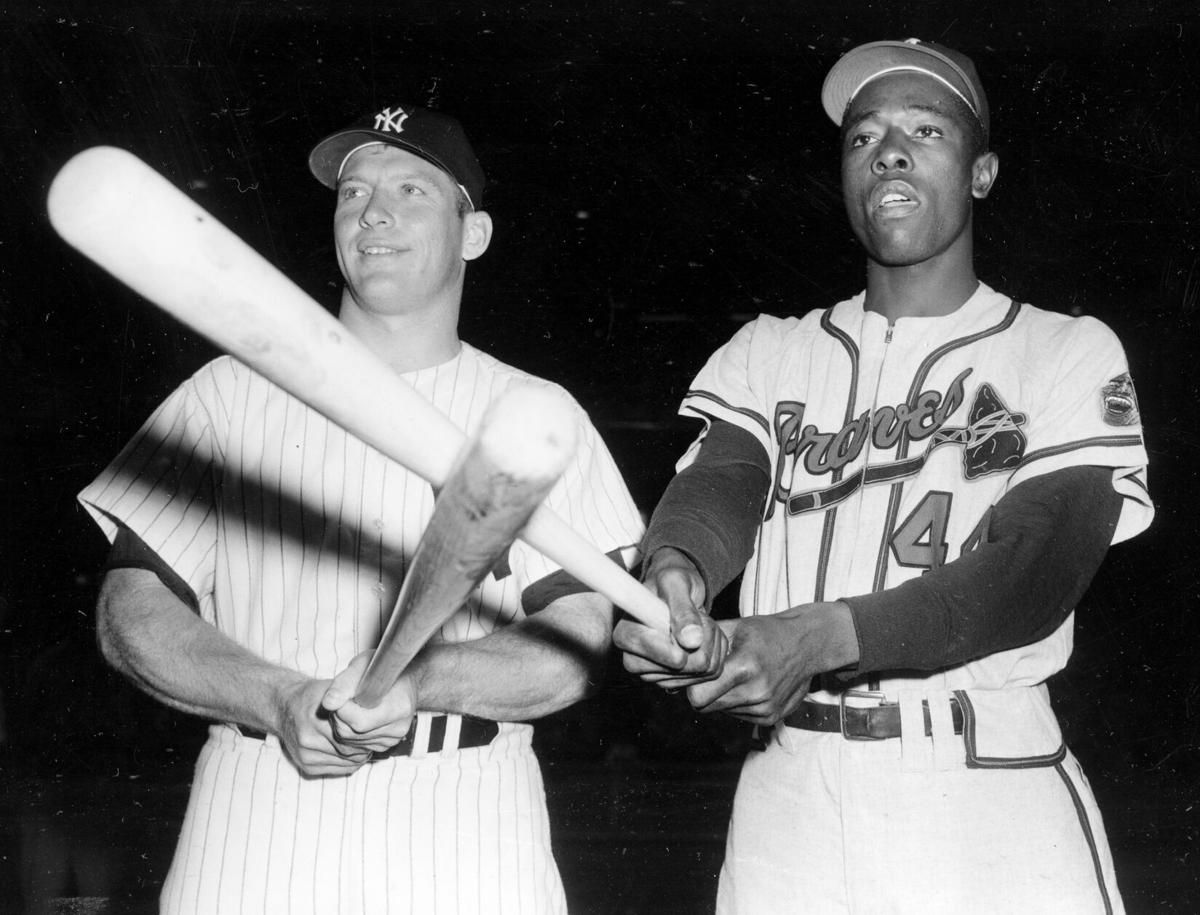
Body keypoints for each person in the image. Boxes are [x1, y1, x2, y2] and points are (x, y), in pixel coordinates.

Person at [614, 38, 1153, 914]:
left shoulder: (1062, 347)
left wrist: (820, 637)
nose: (889, 150)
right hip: (789, 792)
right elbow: (721, 483)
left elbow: (1032, 572)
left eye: (926, 130)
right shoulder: (774, 349)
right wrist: (672, 579)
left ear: (981, 174)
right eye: (864, 137)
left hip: (980, 782)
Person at [78, 102, 645, 915]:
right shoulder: (226, 394)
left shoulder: (534, 411)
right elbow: (129, 612)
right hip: (258, 800)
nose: (373, 210)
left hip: (469, 816)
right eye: (353, 193)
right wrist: (275, 697)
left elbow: (579, 643)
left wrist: (421, 681)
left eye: (412, 189)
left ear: (473, 233)